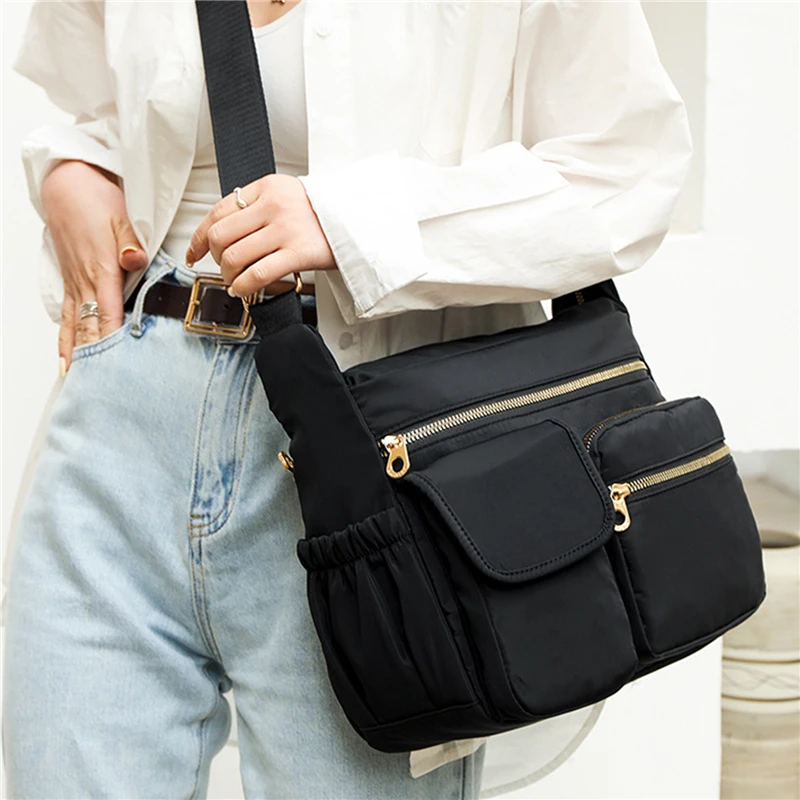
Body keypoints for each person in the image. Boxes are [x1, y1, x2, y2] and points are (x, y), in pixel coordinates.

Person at [2, 1, 692, 797]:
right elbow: (91, 109)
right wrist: (72, 174)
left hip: (371, 465)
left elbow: (627, 168)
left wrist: (353, 222)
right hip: (122, 431)